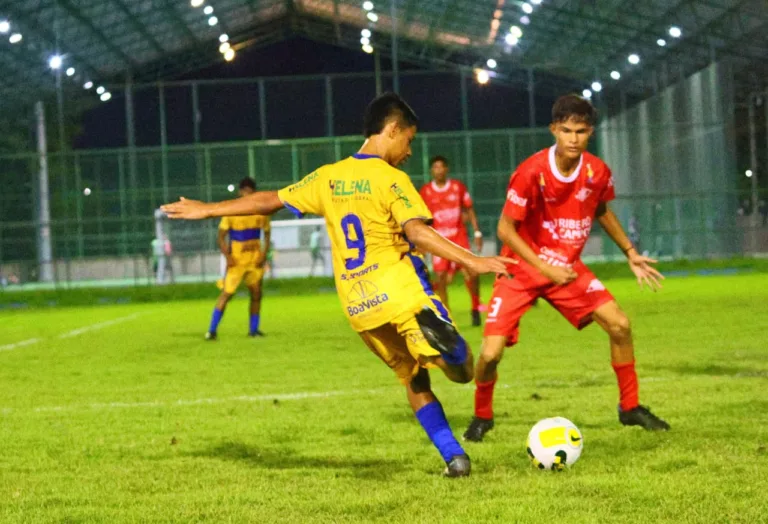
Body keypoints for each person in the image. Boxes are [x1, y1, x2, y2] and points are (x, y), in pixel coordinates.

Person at [162, 93, 512, 477]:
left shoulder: (329, 177)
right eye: (408, 139)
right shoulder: (391, 178)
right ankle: (454, 348)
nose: (409, 151)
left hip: (360, 306)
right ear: (391, 128)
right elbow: (416, 231)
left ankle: (455, 458)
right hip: (401, 290)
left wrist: (208, 209)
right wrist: (473, 260)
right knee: (461, 372)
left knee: (413, 376)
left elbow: (269, 200)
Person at [463, 94, 670, 443]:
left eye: (581, 131)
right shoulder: (531, 172)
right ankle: (482, 415)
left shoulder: (598, 171)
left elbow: (601, 210)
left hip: (567, 271)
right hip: (520, 270)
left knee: (620, 325)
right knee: (489, 354)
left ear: (590, 132)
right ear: (554, 130)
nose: (573, 138)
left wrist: (630, 252)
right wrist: (544, 267)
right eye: (566, 130)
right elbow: (504, 230)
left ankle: (630, 407)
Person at [419, 156, 484, 326]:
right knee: (441, 278)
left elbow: (469, 210)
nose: (439, 170)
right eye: (435, 167)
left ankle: (476, 308)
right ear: (432, 171)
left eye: (442, 167)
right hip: (439, 241)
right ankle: (446, 317)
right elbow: (421, 217)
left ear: (446, 169)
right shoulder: (425, 191)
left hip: (459, 238)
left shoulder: (457, 187)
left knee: (472, 273)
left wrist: (477, 232)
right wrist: (423, 242)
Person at [206, 177, 271, 340]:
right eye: (245, 192)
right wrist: (227, 257)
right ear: (241, 192)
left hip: (254, 260)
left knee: (256, 294)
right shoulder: (232, 210)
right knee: (227, 294)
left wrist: (263, 254)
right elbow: (220, 236)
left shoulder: (260, 211)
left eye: (250, 192)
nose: (247, 194)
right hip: (237, 261)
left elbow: (267, 234)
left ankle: (253, 330)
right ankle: (212, 330)